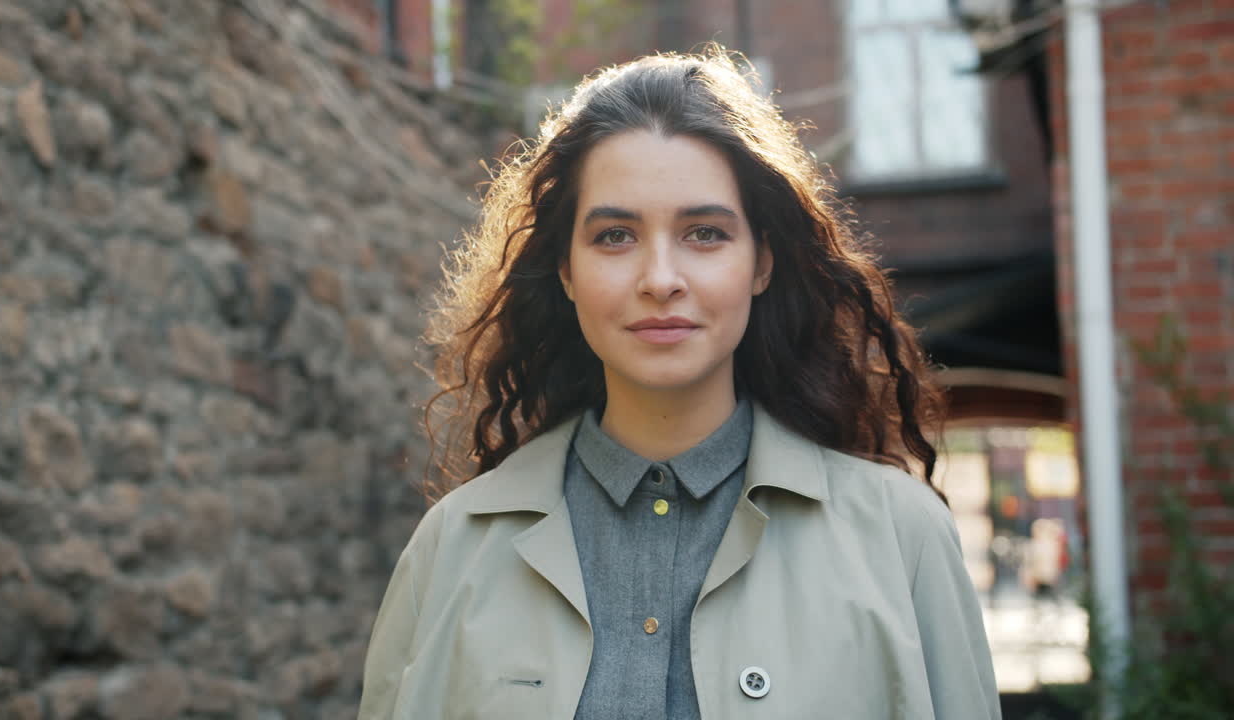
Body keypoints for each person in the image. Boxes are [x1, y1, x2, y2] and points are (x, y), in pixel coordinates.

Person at [358, 48, 1001, 719]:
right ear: (566, 272)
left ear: (761, 263)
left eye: (703, 233)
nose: (660, 278)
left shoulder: (903, 540)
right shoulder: (450, 548)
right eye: (614, 236)